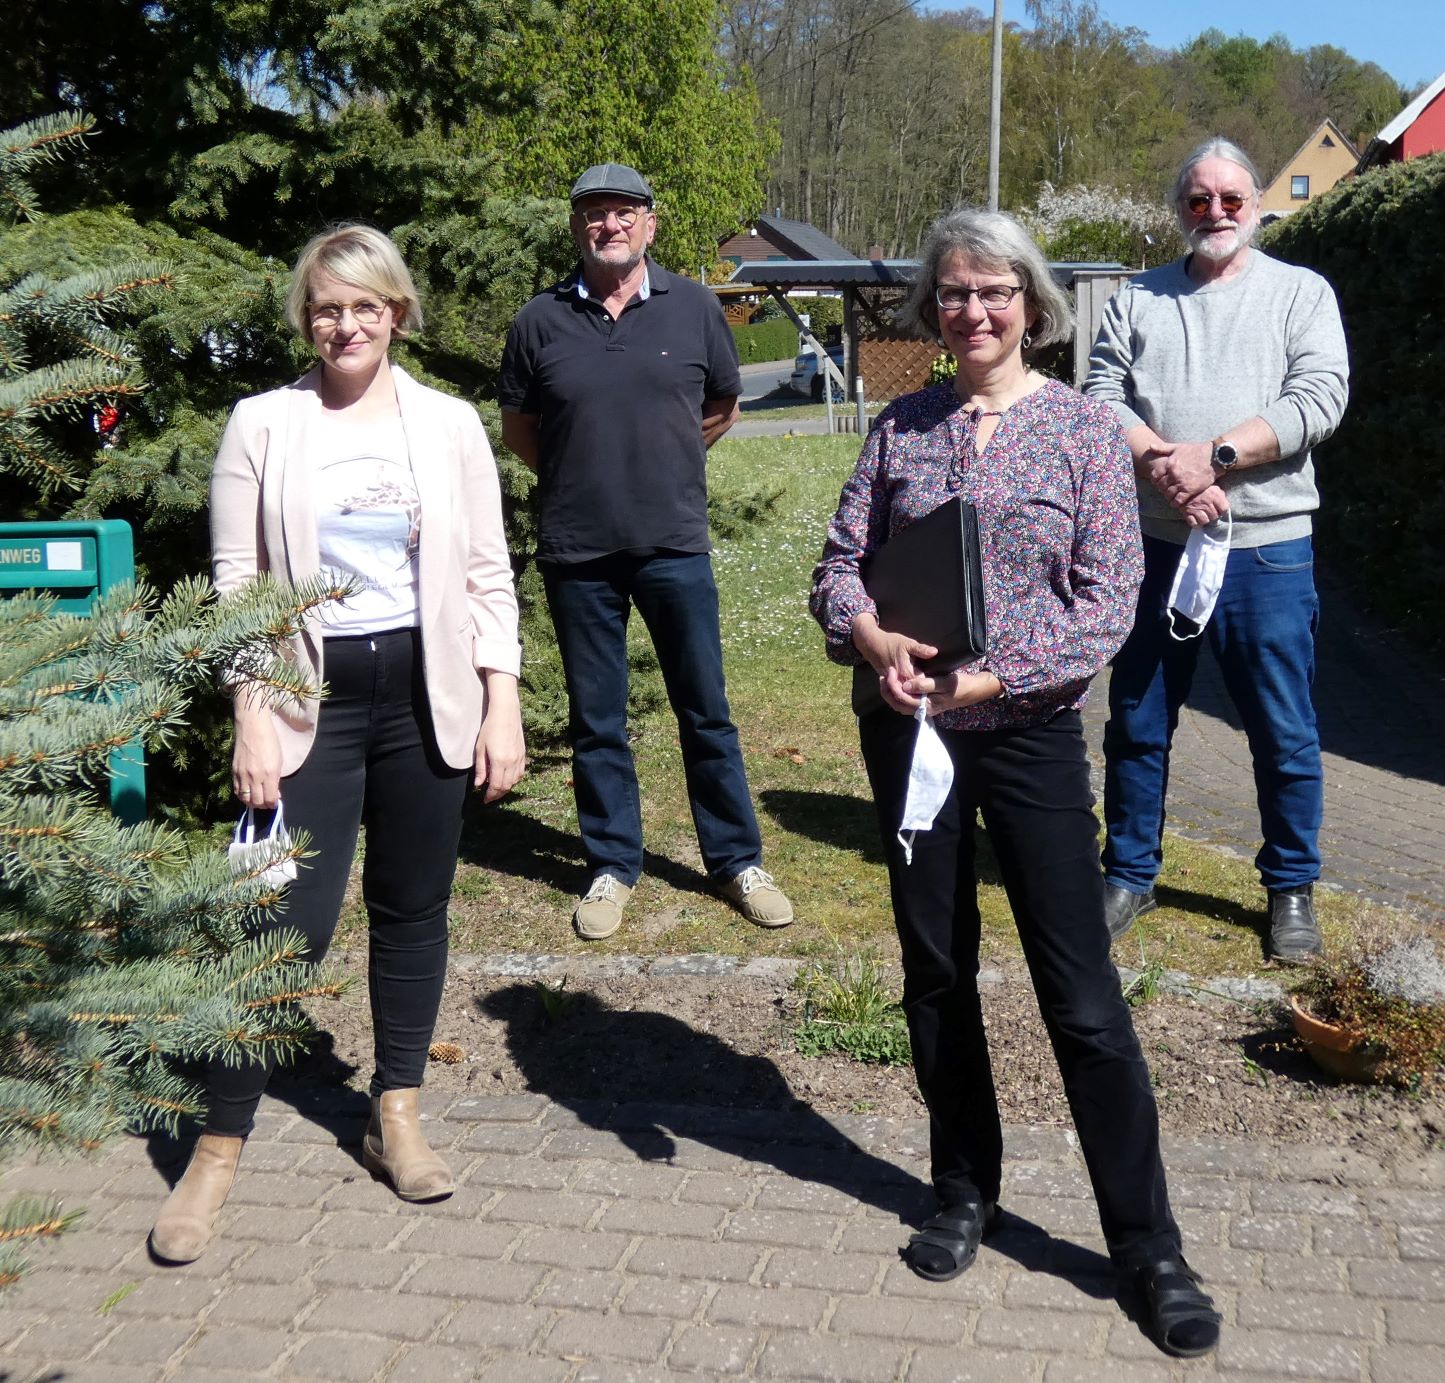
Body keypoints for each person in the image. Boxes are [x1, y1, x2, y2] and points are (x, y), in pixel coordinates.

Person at [811, 207, 1221, 1359]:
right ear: (931, 311)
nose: (972, 311)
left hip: (1027, 736)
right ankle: (961, 1191)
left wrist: (1000, 678)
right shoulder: (900, 427)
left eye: (992, 292)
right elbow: (838, 566)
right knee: (934, 968)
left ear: (1029, 307)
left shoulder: (1086, 433)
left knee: (1077, 993)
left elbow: (1105, 603)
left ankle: (1147, 1246)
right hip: (908, 734)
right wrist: (869, 639)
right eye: (951, 293)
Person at [149, 225, 524, 1264]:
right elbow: (236, 585)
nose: (345, 324)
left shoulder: (448, 425)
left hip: (424, 695)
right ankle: (217, 1146)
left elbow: (487, 573)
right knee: (277, 927)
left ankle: (393, 1111)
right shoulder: (264, 425)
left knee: (412, 913)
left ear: (397, 312)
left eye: (365, 305)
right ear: (304, 317)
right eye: (326, 306)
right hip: (304, 702)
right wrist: (250, 713)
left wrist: (502, 703)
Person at [498, 162, 792, 941]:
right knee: (599, 720)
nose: (610, 225)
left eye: (624, 212)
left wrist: (660, 461)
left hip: (673, 546)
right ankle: (610, 865)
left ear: (649, 225)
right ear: (577, 228)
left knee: (707, 712)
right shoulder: (537, 322)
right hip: (578, 552)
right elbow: (523, 433)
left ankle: (735, 861)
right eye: (594, 213)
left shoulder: (695, 308)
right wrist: (581, 475)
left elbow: (720, 406)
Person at [1085, 137, 1349, 963]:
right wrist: (1170, 470)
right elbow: (1099, 395)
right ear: (1179, 210)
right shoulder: (1135, 298)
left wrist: (1216, 457)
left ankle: (1290, 889)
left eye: (1230, 199)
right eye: (1197, 200)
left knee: (1282, 730)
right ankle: (1127, 873)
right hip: (1157, 544)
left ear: (1256, 206)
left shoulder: (1300, 293)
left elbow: (1318, 398)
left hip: (1266, 552)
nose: (1214, 213)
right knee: (1135, 719)